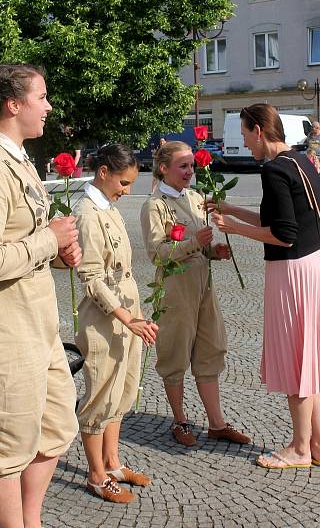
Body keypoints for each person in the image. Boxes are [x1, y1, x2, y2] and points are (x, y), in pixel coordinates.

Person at [0, 64, 82, 528]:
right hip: (0, 331)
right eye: (41, 97)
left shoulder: (20, 161)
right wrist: (48, 239)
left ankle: (32, 521)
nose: (48, 106)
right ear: (13, 105)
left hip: (36, 326)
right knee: (6, 449)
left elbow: (24, 244)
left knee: (57, 429)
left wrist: (61, 253)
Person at [211, 104, 320, 470]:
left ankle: (298, 448)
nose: (245, 143)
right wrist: (231, 209)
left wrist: (235, 229)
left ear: (259, 131)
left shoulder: (274, 170)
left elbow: (282, 233)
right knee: (310, 358)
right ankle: (319, 448)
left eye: (247, 135)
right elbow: (281, 215)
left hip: (292, 273)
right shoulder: (301, 161)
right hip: (315, 266)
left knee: (297, 359)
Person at [140, 140, 251, 448]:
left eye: (192, 165)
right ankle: (180, 419)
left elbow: (200, 246)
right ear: (164, 169)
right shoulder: (155, 205)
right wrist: (193, 243)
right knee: (175, 353)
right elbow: (157, 254)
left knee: (210, 350)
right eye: (183, 166)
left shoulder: (195, 197)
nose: (190, 171)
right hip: (175, 290)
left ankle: (216, 423)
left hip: (203, 286)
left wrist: (214, 251)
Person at [75, 144, 158, 504]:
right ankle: (96, 475)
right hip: (104, 320)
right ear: (103, 171)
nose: (127, 191)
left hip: (127, 317)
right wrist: (126, 318)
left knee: (121, 393)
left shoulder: (107, 207)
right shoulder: (87, 212)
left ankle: (112, 463)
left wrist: (134, 317)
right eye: (123, 183)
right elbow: (91, 277)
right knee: (100, 397)